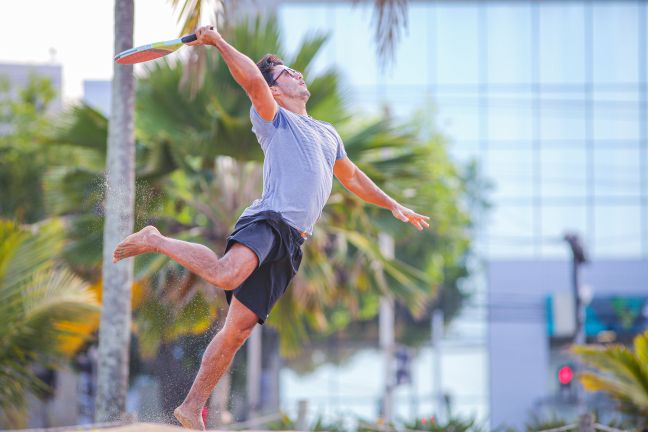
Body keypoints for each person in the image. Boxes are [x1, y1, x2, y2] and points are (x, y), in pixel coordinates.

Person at [112, 25, 430, 430]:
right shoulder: (273, 117)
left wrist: (392, 204)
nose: (298, 75)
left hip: (293, 243)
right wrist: (219, 43)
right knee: (226, 273)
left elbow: (351, 178)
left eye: (296, 72)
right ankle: (155, 238)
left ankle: (191, 407)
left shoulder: (328, 133)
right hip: (269, 221)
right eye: (287, 74)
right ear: (275, 91)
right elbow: (249, 79)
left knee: (237, 330)